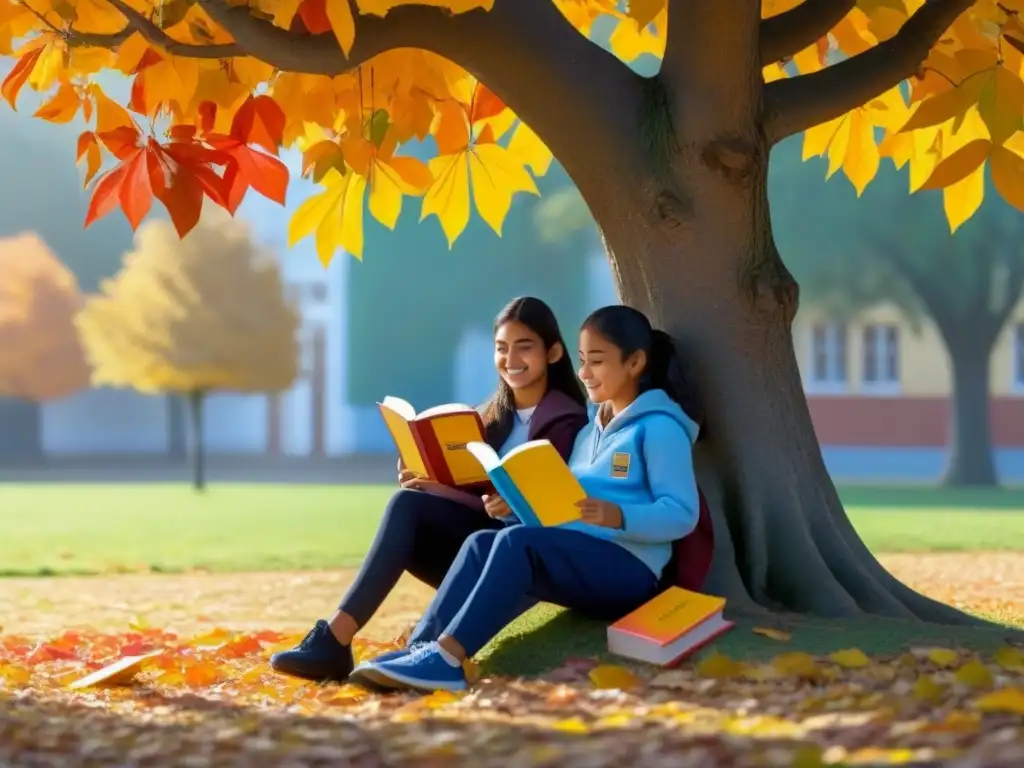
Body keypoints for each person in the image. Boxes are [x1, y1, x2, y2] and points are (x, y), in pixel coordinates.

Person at [350, 304, 701, 693]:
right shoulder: (591, 431)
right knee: (484, 540)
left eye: (597, 361)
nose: (584, 373)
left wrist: (618, 515)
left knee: (519, 544)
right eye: (582, 360)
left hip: (630, 570)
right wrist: (516, 506)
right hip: (582, 552)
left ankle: (447, 659)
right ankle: (420, 650)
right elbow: (561, 507)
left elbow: (682, 514)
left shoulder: (660, 429)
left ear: (635, 362)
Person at [270, 296, 589, 683]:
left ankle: (367, 645)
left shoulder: (566, 421)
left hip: (512, 560)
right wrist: (424, 472)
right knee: (408, 503)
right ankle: (335, 638)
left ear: (553, 352)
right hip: (475, 545)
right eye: (501, 349)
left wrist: (443, 493)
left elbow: (538, 508)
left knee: (413, 506)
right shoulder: (490, 417)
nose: (511, 359)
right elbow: (471, 492)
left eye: (525, 347)